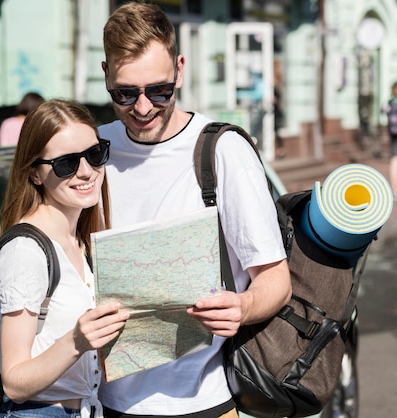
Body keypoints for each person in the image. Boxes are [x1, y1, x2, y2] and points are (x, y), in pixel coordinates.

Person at [98, 2, 292, 417]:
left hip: (203, 403)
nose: (143, 108)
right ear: (106, 75)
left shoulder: (221, 151)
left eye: (160, 90)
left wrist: (242, 307)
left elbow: (275, 279)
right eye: (125, 94)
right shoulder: (94, 151)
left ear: (180, 69)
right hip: (105, 403)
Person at [0, 99, 129, 418]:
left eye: (95, 155)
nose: (86, 172)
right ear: (35, 175)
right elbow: (14, 381)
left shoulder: (80, 240)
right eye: (66, 163)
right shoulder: (25, 252)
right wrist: (78, 340)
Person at [383, 81, 397, 194]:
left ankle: (394, 189)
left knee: (394, 160)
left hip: (393, 134)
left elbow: (382, 111)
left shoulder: (389, 103)